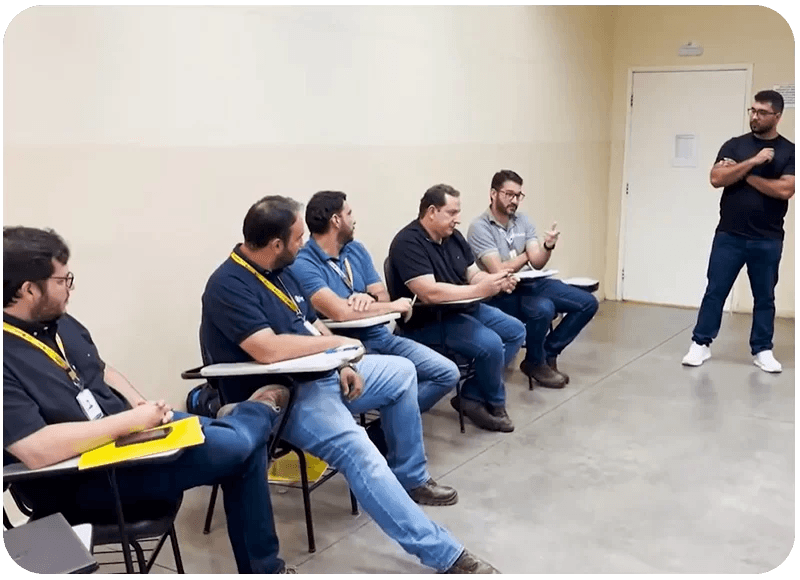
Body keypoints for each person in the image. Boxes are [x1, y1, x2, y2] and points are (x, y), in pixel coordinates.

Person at [200, 195, 499, 574]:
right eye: (297, 238)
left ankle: (409, 476)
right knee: (360, 451)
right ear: (275, 244)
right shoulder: (228, 285)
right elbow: (267, 349)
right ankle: (445, 554)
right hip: (282, 396)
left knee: (402, 372)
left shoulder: (281, 270)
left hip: (321, 375)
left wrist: (342, 361)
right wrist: (336, 345)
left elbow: (310, 323)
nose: (303, 243)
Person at [2, 226, 295, 574]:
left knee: (242, 450)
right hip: (86, 478)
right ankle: (257, 411)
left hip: (128, 439)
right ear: (28, 289)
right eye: (62, 280)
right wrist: (128, 422)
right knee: (239, 447)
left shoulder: (57, 321)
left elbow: (100, 370)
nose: (70, 288)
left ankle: (265, 567)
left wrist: (139, 404)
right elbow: (35, 449)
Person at [289, 190, 459, 415]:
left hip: (381, 336)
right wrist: (392, 306)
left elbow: (382, 294)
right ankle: (393, 418)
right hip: (349, 347)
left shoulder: (356, 249)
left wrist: (369, 298)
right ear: (336, 221)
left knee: (447, 373)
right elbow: (340, 312)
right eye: (349, 213)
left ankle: (384, 427)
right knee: (400, 379)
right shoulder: (304, 263)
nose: (354, 219)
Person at [386, 184, 525, 433]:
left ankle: (471, 395)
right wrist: (479, 290)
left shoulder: (454, 238)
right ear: (431, 211)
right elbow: (429, 292)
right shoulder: (407, 242)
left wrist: (495, 281)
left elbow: (473, 275)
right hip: (428, 320)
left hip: (462, 309)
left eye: (457, 212)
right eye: (451, 212)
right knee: (491, 344)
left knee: (515, 331)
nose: (457, 219)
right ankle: (495, 404)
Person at [681, 90, 795, 372]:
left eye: (762, 112)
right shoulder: (735, 145)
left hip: (768, 238)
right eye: (752, 111)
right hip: (729, 235)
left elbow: (785, 190)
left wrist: (744, 175)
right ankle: (700, 343)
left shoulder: (789, 151)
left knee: (765, 297)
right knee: (715, 291)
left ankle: (763, 350)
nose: (755, 117)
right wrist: (753, 162)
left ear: (777, 116)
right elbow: (716, 177)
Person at [467, 170, 599, 388]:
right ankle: (536, 362)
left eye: (518, 195)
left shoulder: (523, 220)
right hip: (503, 292)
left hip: (531, 282)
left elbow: (537, 262)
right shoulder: (479, 227)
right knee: (543, 308)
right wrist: (526, 255)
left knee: (587, 302)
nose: (514, 200)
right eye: (509, 194)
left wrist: (547, 246)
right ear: (493, 193)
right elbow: (499, 270)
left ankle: (547, 353)